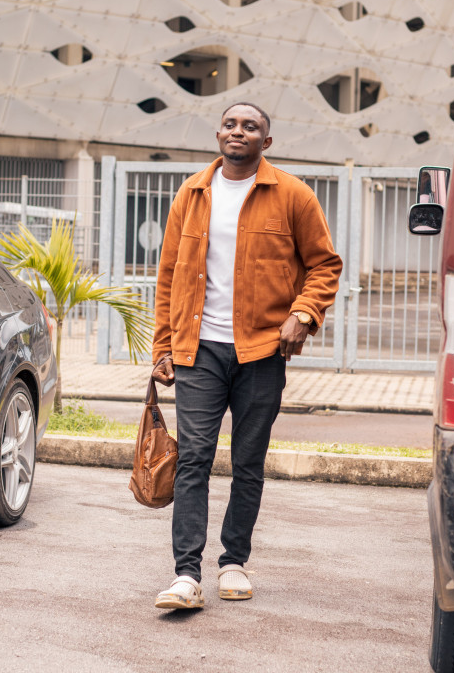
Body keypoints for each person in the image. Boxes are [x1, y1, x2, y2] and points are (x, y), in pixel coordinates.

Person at [151, 102, 342, 609]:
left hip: (262, 349)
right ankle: (185, 575)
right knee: (193, 458)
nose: (239, 131)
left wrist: (303, 313)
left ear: (266, 142)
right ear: (218, 133)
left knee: (248, 461)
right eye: (231, 124)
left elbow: (325, 265)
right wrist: (162, 347)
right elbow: (168, 276)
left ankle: (233, 561)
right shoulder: (191, 194)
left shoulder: (294, 195)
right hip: (198, 349)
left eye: (250, 126)